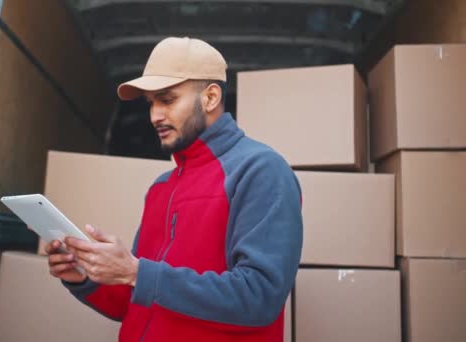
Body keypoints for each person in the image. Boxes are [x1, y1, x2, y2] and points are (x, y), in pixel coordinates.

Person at [46, 36, 303, 342]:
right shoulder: (160, 188)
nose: (154, 115)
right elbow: (137, 303)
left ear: (209, 98)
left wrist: (135, 271)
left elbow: (259, 298)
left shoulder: (261, 170)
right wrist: (86, 277)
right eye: (151, 102)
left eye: (167, 99)